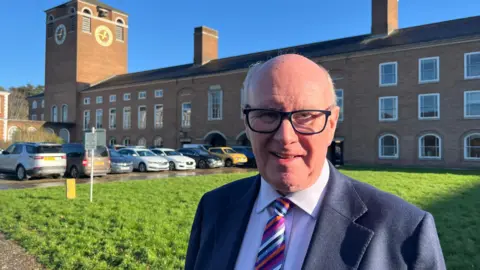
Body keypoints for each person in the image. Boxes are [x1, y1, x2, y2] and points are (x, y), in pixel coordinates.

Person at [184, 54, 446, 270]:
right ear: (247, 123)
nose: (285, 137)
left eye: (306, 115)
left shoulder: (406, 232)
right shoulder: (214, 209)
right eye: (266, 114)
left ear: (331, 124)